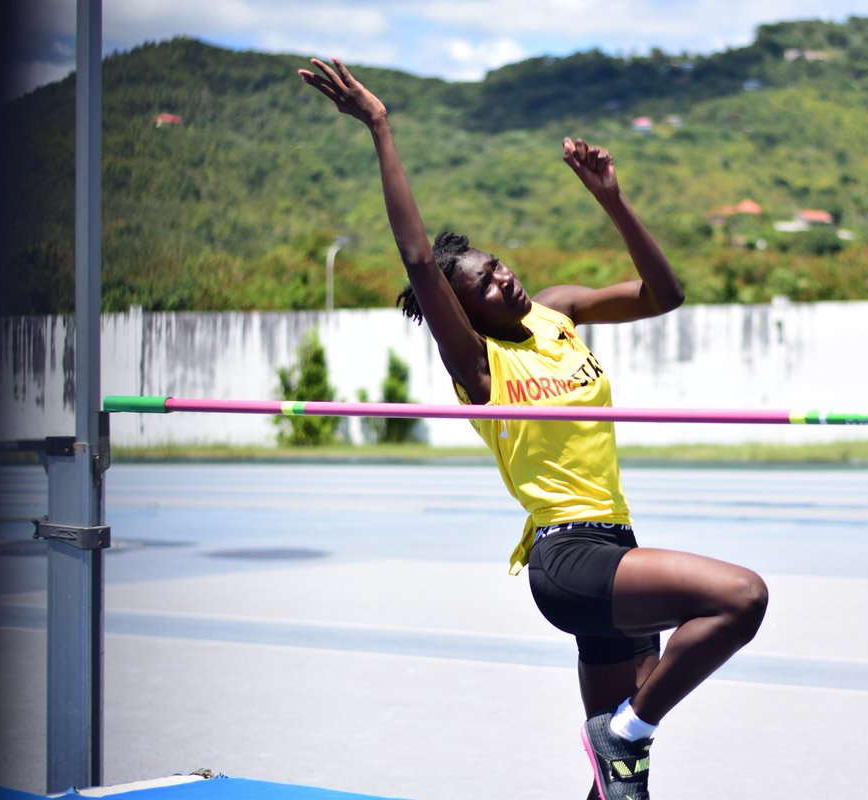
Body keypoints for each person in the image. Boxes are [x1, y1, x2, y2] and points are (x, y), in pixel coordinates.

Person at [299, 58, 768, 800]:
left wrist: (612, 200)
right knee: (741, 598)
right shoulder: (477, 366)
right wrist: (381, 126)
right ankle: (627, 730)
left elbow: (663, 294)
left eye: (498, 266)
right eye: (483, 285)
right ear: (466, 314)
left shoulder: (557, 312)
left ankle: (623, 740)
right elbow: (419, 259)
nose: (502, 280)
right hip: (569, 556)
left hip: (618, 544)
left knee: (619, 789)